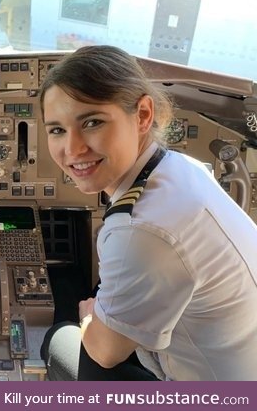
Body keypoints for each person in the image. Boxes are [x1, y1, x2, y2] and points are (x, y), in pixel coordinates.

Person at [38, 45, 257, 381]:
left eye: (92, 122)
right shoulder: (183, 167)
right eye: (57, 130)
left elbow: (105, 352)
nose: (72, 149)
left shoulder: (142, 229)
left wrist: (87, 317)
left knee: (59, 339)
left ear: (142, 115)